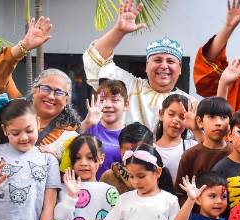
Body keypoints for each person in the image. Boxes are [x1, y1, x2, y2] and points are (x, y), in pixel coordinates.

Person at [83, 0, 194, 130]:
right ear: (146, 66)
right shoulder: (128, 86)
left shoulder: (192, 104)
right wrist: (118, 31)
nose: (164, 66)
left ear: (180, 68)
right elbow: (94, 62)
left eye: (170, 61)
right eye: (157, 60)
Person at [0, 16, 80, 163]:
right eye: (46, 88)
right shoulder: (13, 107)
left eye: (58, 92)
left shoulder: (70, 137)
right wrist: (23, 46)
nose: (51, 96)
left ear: (66, 99)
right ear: (34, 90)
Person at [174, 97, 233, 204]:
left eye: (224, 117)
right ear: (200, 122)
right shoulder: (190, 156)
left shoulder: (236, 153)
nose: (218, 123)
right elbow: (180, 194)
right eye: (211, 117)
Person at [79, 79, 128, 180]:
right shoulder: (88, 128)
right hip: (88, 192)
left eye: (114, 100)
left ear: (126, 104)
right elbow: (67, 149)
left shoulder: (132, 134)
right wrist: (85, 124)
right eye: (102, 100)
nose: (107, 105)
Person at [154, 94, 199, 185]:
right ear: (161, 114)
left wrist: (195, 129)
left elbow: (211, 151)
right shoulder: (150, 149)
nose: (176, 120)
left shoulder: (192, 146)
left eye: (182, 117)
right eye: (171, 114)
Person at [100, 122, 153, 194]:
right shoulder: (108, 177)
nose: (133, 160)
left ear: (151, 150)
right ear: (119, 150)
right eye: (127, 155)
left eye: (139, 154)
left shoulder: (159, 176)